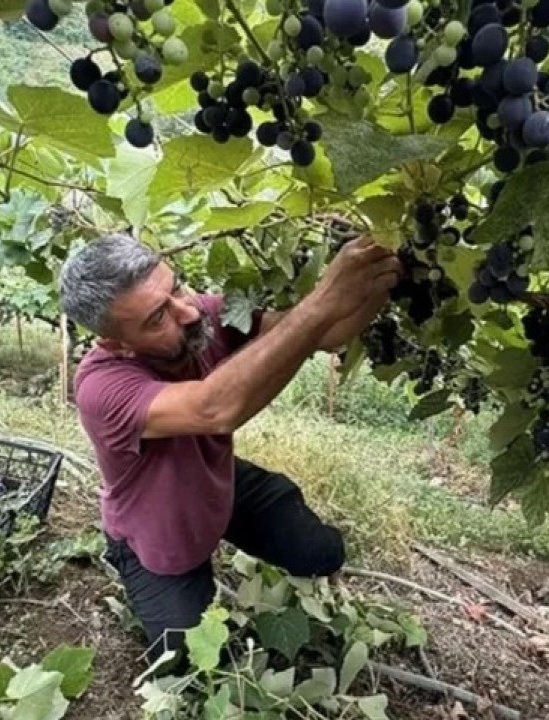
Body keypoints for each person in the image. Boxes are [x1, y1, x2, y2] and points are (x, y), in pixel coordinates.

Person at [58, 231, 402, 666]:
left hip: (218, 483)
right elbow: (214, 409)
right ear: (116, 343)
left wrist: (382, 278)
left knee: (323, 552)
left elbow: (322, 333)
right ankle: (124, 558)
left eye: (177, 286)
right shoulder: (100, 387)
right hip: (159, 530)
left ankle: (232, 514)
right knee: (186, 662)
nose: (187, 311)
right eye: (156, 318)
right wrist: (323, 296)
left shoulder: (201, 315)